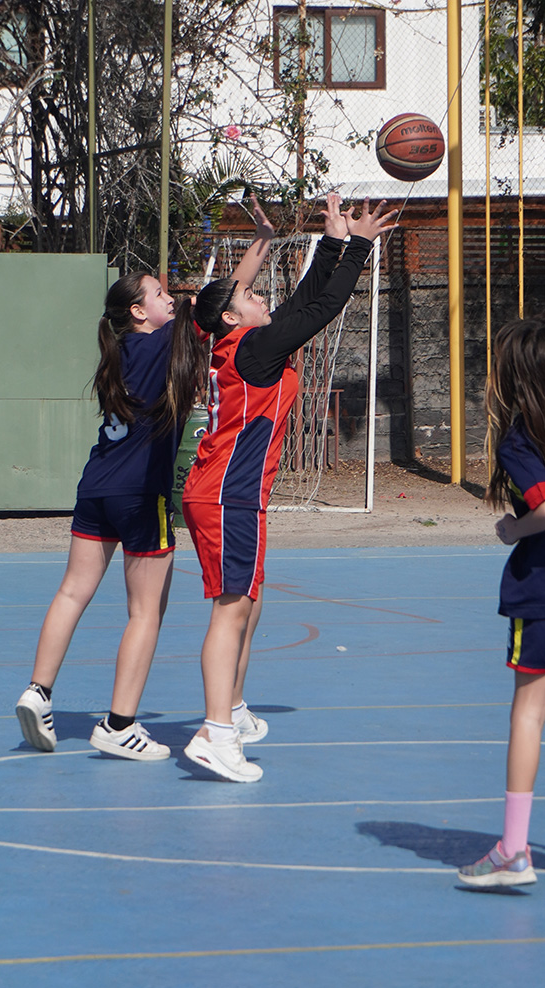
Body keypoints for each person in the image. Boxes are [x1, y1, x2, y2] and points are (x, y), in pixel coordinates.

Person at [15, 197, 276, 759]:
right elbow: (226, 300)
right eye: (158, 293)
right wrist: (260, 243)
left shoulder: (118, 353)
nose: (169, 297)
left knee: (72, 591)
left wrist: (262, 239)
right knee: (145, 612)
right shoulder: (166, 342)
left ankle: (38, 691)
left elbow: (220, 300)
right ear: (139, 311)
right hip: (141, 494)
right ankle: (119, 724)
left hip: (96, 486)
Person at [180, 192, 398, 782]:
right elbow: (323, 308)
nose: (260, 297)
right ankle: (215, 732)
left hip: (226, 493)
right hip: (227, 495)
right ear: (231, 318)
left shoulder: (244, 343)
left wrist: (332, 241)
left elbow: (303, 302)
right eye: (249, 296)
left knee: (247, 604)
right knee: (231, 611)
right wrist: (360, 247)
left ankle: (231, 710)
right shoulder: (253, 348)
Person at [458, 317, 545, 888]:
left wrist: (514, 530)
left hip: (539, 590)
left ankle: (514, 850)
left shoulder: (520, 439)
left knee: (529, 711)